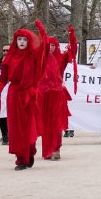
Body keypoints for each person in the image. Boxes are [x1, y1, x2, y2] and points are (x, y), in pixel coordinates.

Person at [0, 24, 48, 170]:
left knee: (29, 126)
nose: (21, 42)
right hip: (14, 95)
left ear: (29, 41)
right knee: (16, 128)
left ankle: (29, 151)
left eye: (24, 40)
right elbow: (3, 78)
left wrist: (42, 32)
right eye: (19, 39)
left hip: (29, 95)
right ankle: (21, 158)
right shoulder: (9, 58)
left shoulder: (34, 56)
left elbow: (44, 49)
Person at [40, 29, 77, 161]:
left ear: (56, 46)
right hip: (44, 96)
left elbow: (72, 52)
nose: (50, 47)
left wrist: (72, 37)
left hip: (57, 96)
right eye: (48, 45)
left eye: (53, 45)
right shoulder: (40, 60)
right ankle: (47, 150)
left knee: (56, 123)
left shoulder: (61, 58)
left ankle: (56, 149)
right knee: (45, 124)